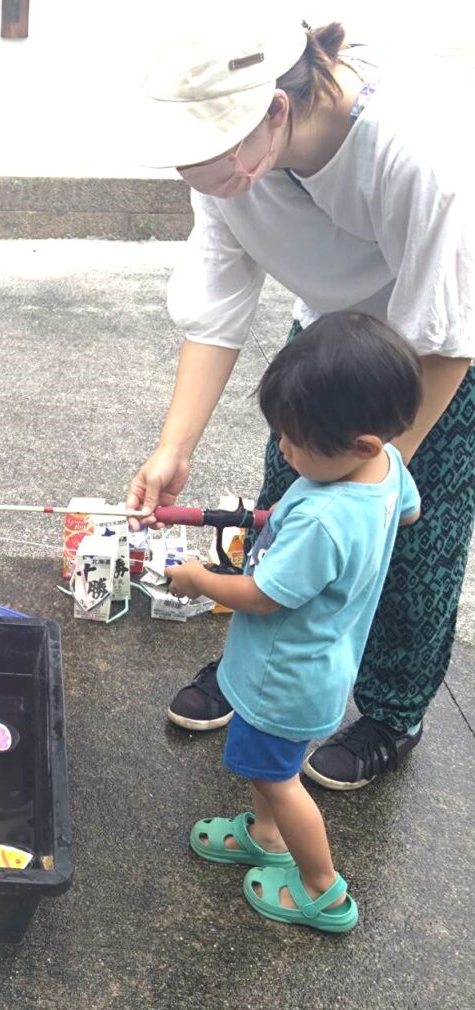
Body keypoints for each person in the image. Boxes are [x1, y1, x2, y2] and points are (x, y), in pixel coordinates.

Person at [128, 12, 474, 789]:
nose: (201, 181)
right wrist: (173, 447)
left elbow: (447, 331)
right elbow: (219, 302)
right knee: (286, 507)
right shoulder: (234, 161)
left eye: (210, 162)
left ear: (275, 109)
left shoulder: (418, 153)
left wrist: (382, 476)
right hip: (334, 334)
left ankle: (391, 708)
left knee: (410, 536)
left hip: (443, 340)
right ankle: (265, 677)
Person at [165, 312, 421, 932]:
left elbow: (262, 596)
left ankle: (322, 888)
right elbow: (406, 515)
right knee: (270, 770)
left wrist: (199, 580)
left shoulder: (324, 520)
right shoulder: (384, 467)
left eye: (295, 439)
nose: (284, 448)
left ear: (358, 443)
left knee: (274, 776)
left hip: (280, 678)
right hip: (320, 663)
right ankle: (266, 837)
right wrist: (291, 512)